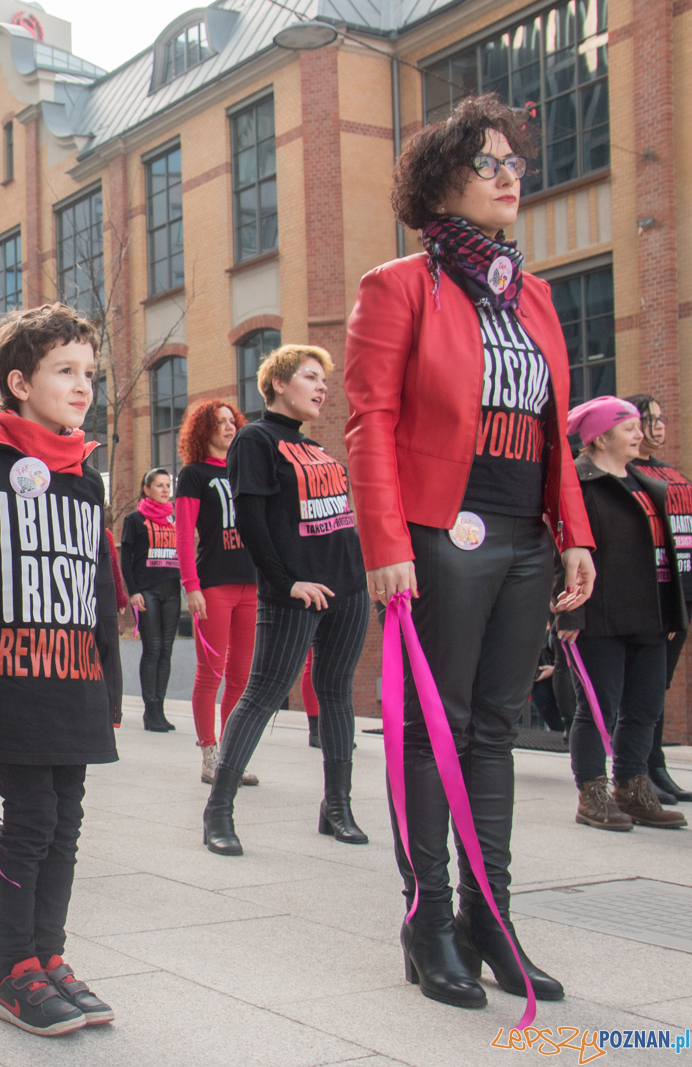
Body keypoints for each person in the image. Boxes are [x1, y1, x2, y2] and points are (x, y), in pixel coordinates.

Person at [344, 93, 596, 1010]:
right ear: (441, 180)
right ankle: (429, 915)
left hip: (525, 533)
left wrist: (574, 530)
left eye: (513, 163)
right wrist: (384, 540)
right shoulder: (399, 284)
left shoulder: (532, 293)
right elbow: (370, 418)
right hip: (438, 533)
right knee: (430, 727)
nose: (507, 176)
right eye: (487, 162)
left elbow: (549, 428)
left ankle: (493, 916)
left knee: (497, 727)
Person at [0, 303, 121, 1037]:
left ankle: (49, 953)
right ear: (17, 381)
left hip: (75, 677)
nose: (82, 387)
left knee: (67, 820)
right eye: (64, 372)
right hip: (10, 679)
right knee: (30, 820)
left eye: (89, 374)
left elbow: (100, 584)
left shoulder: (86, 477)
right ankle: (12, 968)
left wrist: (109, 683)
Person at [202, 345, 370, 857]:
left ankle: (336, 807)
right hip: (295, 592)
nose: (322, 387)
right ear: (277, 383)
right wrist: (286, 581)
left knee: (337, 693)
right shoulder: (255, 439)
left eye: (325, 379)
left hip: (348, 588)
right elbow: (249, 520)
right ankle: (219, 811)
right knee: (262, 694)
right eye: (310, 377)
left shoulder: (314, 447)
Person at [559, 398, 687, 831]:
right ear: (600, 436)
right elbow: (557, 551)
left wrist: (673, 613)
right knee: (597, 708)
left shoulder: (642, 481)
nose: (640, 434)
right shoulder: (575, 481)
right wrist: (567, 614)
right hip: (599, 615)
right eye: (630, 427)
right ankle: (592, 794)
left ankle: (633, 788)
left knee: (645, 707)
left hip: (650, 616)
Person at [173, 400, 262, 784]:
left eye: (232, 421)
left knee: (242, 677)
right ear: (203, 429)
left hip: (252, 586)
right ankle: (209, 753)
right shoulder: (193, 475)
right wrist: (191, 587)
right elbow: (183, 536)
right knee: (211, 674)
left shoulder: (247, 469)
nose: (228, 428)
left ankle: (231, 756)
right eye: (219, 422)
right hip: (213, 586)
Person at [625, 394, 692, 804]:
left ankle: (657, 767)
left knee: (659, 687)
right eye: (646, 419)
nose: (657, 426)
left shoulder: (672, 473)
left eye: (660, 417)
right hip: (653, 594)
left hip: (683, 594)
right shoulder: (627, 475)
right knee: (643, 689)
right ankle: (642, 769)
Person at [121, 468, 180, 732]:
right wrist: (133, 592)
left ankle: (160, 710)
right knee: (153, 648)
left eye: (168, 485)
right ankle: (150, 711)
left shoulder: (175, 520)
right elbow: (126, 559)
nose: (166, 489)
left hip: (172, 591)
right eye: (160, 485)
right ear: (147, 489)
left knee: (167, 650)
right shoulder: (135, 520)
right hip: (147, 591)